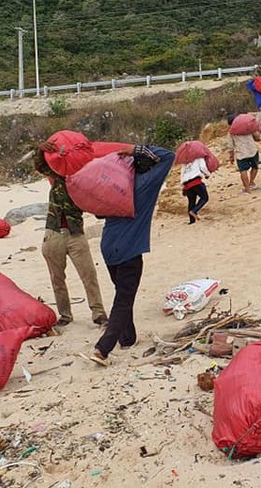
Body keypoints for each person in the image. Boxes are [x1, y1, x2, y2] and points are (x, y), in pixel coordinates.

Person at [92, 144, 175, 365]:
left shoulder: (115, 187)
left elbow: (99, 213)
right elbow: (168, 156)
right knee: (124, 299)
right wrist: (134, 148)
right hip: (129, 248)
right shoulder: (146, 185)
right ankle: (103, 347)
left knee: (121, 292)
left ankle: (127, 338)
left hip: (108, 246)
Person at [34, 142, 108, 328]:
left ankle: (98, 313)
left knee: (88, 274)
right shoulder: (57, 178)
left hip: (75, 234)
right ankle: (65, 315)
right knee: (57, 278)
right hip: (54, 233)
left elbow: (97, 206)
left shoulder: (84, 184)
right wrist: (41, 149)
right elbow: (40, 166)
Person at [227, 114, 261, 194]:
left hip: (241, 153)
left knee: (243, 170)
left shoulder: (231, 132)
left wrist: (231, 157)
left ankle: (247, 189)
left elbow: (230, 146)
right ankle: (251, 183)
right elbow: (256, 137)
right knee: (255, 166)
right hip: (253, 150)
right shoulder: (247, 126)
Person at [181, 155, 210, 224]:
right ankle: (194, 211)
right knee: (204, 198)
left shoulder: (185, 162)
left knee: (191, 201)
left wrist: (182, 187)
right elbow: (203, 167)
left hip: (187, 184)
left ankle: (192, 221)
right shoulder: (199, 157)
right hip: (196, 181)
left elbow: (182, 174)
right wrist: (207, 174)